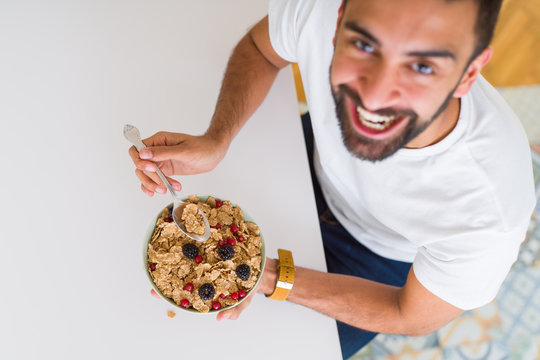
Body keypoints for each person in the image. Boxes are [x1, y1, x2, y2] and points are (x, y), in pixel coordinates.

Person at [128, 0, 536, 358]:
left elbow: (408, 314)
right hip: (308, 155)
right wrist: (218, 137)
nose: (374, 99)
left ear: (469, 74)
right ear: (339, 20)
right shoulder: (321, 8)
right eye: (363, 44)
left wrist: (267, 276)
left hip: (378, 259)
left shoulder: (490, 210)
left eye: (422, 66)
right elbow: (261, 48)